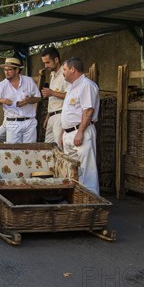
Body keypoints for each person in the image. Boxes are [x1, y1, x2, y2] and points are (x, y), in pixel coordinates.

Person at [60, 57, 100, 195]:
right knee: (72, 169)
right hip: (69, 133)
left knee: (87, 169)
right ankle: (76, 198)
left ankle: (91, 199)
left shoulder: (86, 85)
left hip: (81, 131)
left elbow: (88, 110)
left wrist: (80, 132)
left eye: (64, 69)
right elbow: (69, 112)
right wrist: (63, 132)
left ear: (73, 69)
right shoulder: (72, 87)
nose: (63, 73)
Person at [0, 57, 41, 143]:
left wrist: (29, 100)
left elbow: (38, 97)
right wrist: (1, 100)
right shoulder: (1, 85)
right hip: (12, 122)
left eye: (9, 70)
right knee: (14, 152)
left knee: (29, 151)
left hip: (29, 121)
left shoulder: (28, 81)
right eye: (5, 70)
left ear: (17, 70)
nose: (6, 72)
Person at [40, 47, 69, 144]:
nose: (45, 65)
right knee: (48, 147)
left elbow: (69, 95)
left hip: (61, 115)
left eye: (47, 62)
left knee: (58, 147)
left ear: (56, 60)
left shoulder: (65, 74)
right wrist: (48, 115)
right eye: (44, 63)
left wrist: (52, 93)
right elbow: (52, 99)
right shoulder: (52, 74)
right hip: (52, 115)